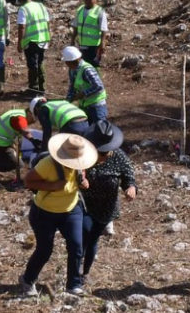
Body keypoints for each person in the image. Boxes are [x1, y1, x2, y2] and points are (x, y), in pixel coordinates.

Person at [20, 133, 98, 297]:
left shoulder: (80, 162)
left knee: (77, 246)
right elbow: (28, 181)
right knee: (44, 250)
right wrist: (53, 185)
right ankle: (27, 280)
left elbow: (81, 177)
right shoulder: (48, 164)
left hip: (71, 209)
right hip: (44, 212)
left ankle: (73, 285)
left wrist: (84, 182)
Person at [79, 120, 137, 285]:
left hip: (106, 207)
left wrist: (130, 188)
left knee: (92, 238)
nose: (102, 155)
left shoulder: (118, 156)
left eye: (104, 152)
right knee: (83, 233)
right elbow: (72, 171)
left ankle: (85, 272)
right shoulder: (82, 154)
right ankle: (74, 269)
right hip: (84, 203)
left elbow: (128, 175)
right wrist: (80, 178)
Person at [0, 106, 39, 172]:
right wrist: (33, 140)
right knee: (18, 165)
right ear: (29, 113)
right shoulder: (20, 118)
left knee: (14, 159)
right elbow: (25, 132)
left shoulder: (20, 112)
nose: (33, 122)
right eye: (33, 119)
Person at [16, 0, 51, 92]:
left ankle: (33, 88)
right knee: (40, 62)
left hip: (32, 41)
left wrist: (19, 43)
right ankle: (42, 87)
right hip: (43, 39)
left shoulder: (23, 9)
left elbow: (22, 27)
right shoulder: (41, 6)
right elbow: (48, 22)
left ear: (20, 0)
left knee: (33, 65)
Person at [62, 46, 108, 122]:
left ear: (72, 61)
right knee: (86, 131)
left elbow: (99, 86)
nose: (66, 64)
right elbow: (72, 86)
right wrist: (68, 100)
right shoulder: (72, 70)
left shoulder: (87, 69)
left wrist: (83, 94)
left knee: (99, 130)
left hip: (96, 106)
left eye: (66, 62)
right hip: (84, 106)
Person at [69, 0, 109, 67]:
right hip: (81, 44)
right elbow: (76, 26)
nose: (88, 0)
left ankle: (96, 79)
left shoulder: (99, 11)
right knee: (83, 65)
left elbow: (103, 29)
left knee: (94, 65)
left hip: (93, 45)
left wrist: (102, 43)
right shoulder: (80, 9)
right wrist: (72, 40)